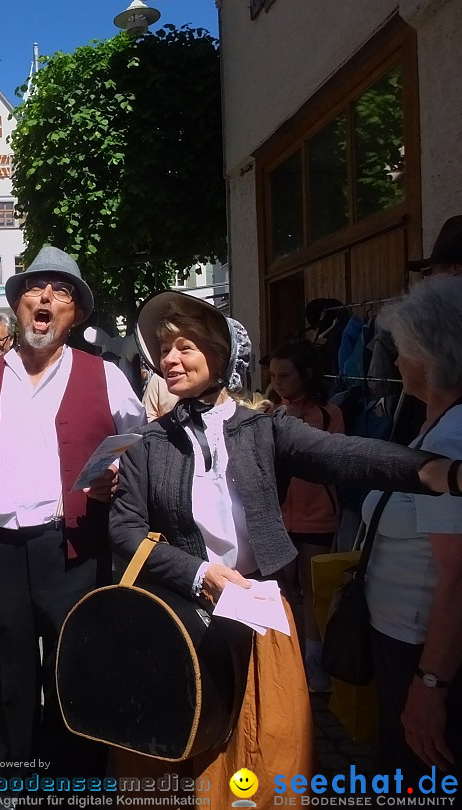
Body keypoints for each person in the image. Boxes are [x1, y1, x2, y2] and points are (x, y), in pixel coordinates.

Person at [109, 290, 462, 807]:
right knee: (178, 759)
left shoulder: (266, 430)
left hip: (257, 621)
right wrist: (197, 573)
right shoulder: (149, 444)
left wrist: (437, 472)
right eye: (164, 350)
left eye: (185, 347)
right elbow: (125, 531)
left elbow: (345, 456)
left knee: (264, 755)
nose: (170, 360)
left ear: (221, 355)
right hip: (180, 618)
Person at [0, 245, 145, 784]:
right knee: (5, 672)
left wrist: (118, 480)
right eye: (35, 288)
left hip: (74, 548)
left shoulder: (104, 376)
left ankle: (72, 780)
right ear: (17, 306)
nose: (45, 297)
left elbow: (140, 444)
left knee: (74, 668)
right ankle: (22, 774)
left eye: (60, 292)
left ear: (76, 314)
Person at [362, 275, 462, 781]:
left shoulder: (454, 439)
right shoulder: (433, 426)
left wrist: (430, 684)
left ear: (430, 354)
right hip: (403, 641)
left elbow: (459, 577)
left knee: (421, 780)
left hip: (423, 650)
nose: (396, 362)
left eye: (402, 350)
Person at [267, 339, 345, 692]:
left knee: (313, 588)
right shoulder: (268, 411)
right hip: (278, 516)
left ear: (306, 375)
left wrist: (301, 430)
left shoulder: (329, 413)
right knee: (277, 589)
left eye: (285, 375)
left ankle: (315, 658)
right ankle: (284, 654)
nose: (278, 382)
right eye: (273, 375)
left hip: (317, 514)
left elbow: (336, 461)